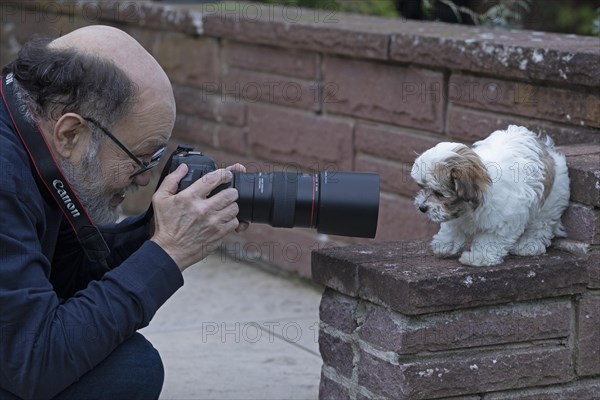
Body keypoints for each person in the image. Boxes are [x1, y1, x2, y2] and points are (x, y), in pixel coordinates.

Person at [0, 25, 247, 399]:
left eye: (156, 158)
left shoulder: (29, 128)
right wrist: (167, 253)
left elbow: (64, 276)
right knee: (128, 372)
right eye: (141, 157)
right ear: (70, 133)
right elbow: (33, 360)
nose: (145, 178)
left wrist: (156, 230)